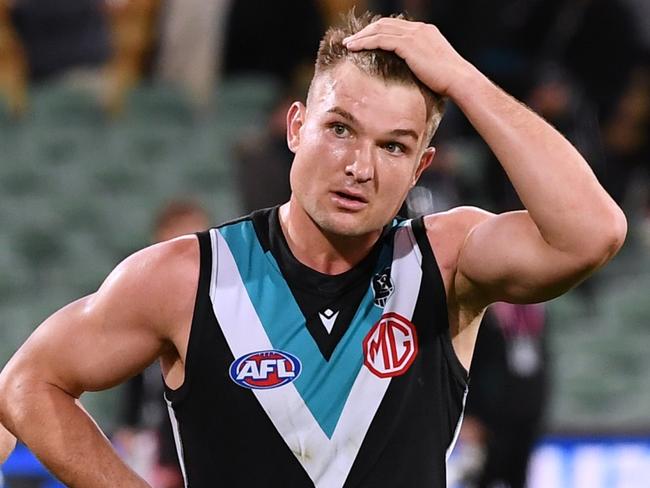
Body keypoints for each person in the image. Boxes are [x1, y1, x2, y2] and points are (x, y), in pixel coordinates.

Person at [0, 10, 626, 487]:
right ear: (296, 127)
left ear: (421, 167)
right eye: (340, 129)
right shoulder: (187, 277)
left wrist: (462, 78)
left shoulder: (448, 259)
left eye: (393, 146)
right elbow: (29, 382)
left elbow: (592, 232)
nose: (359, 166)